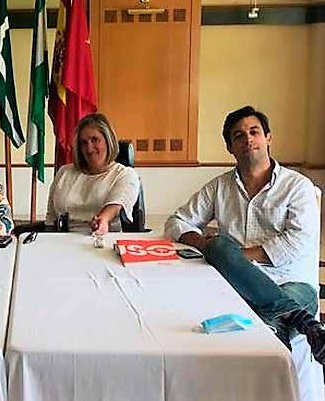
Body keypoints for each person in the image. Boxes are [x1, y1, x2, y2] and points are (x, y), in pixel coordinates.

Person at [165, 106, 325, 362]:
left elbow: (298, 241)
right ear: (230, 147)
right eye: (239, 136)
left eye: (254, 132)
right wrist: (207, 246)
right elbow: (177, 222)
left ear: (268, 138)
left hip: (291, 283)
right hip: (236, 286)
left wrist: (235, 257)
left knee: (262, 324)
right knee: (217, 248)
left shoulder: (297, 186)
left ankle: (281, 332)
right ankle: (300, 321)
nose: (248, 139)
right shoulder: (219, 187)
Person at [46, 113, 140, 234]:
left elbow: (116, 205)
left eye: (95, 140)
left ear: (108, 141)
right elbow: (51, 218)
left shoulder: (124, 174)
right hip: (62, 238)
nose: (89, 149)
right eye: (83, 143)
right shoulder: (64, 172)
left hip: (102, 238)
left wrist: (103, 219)